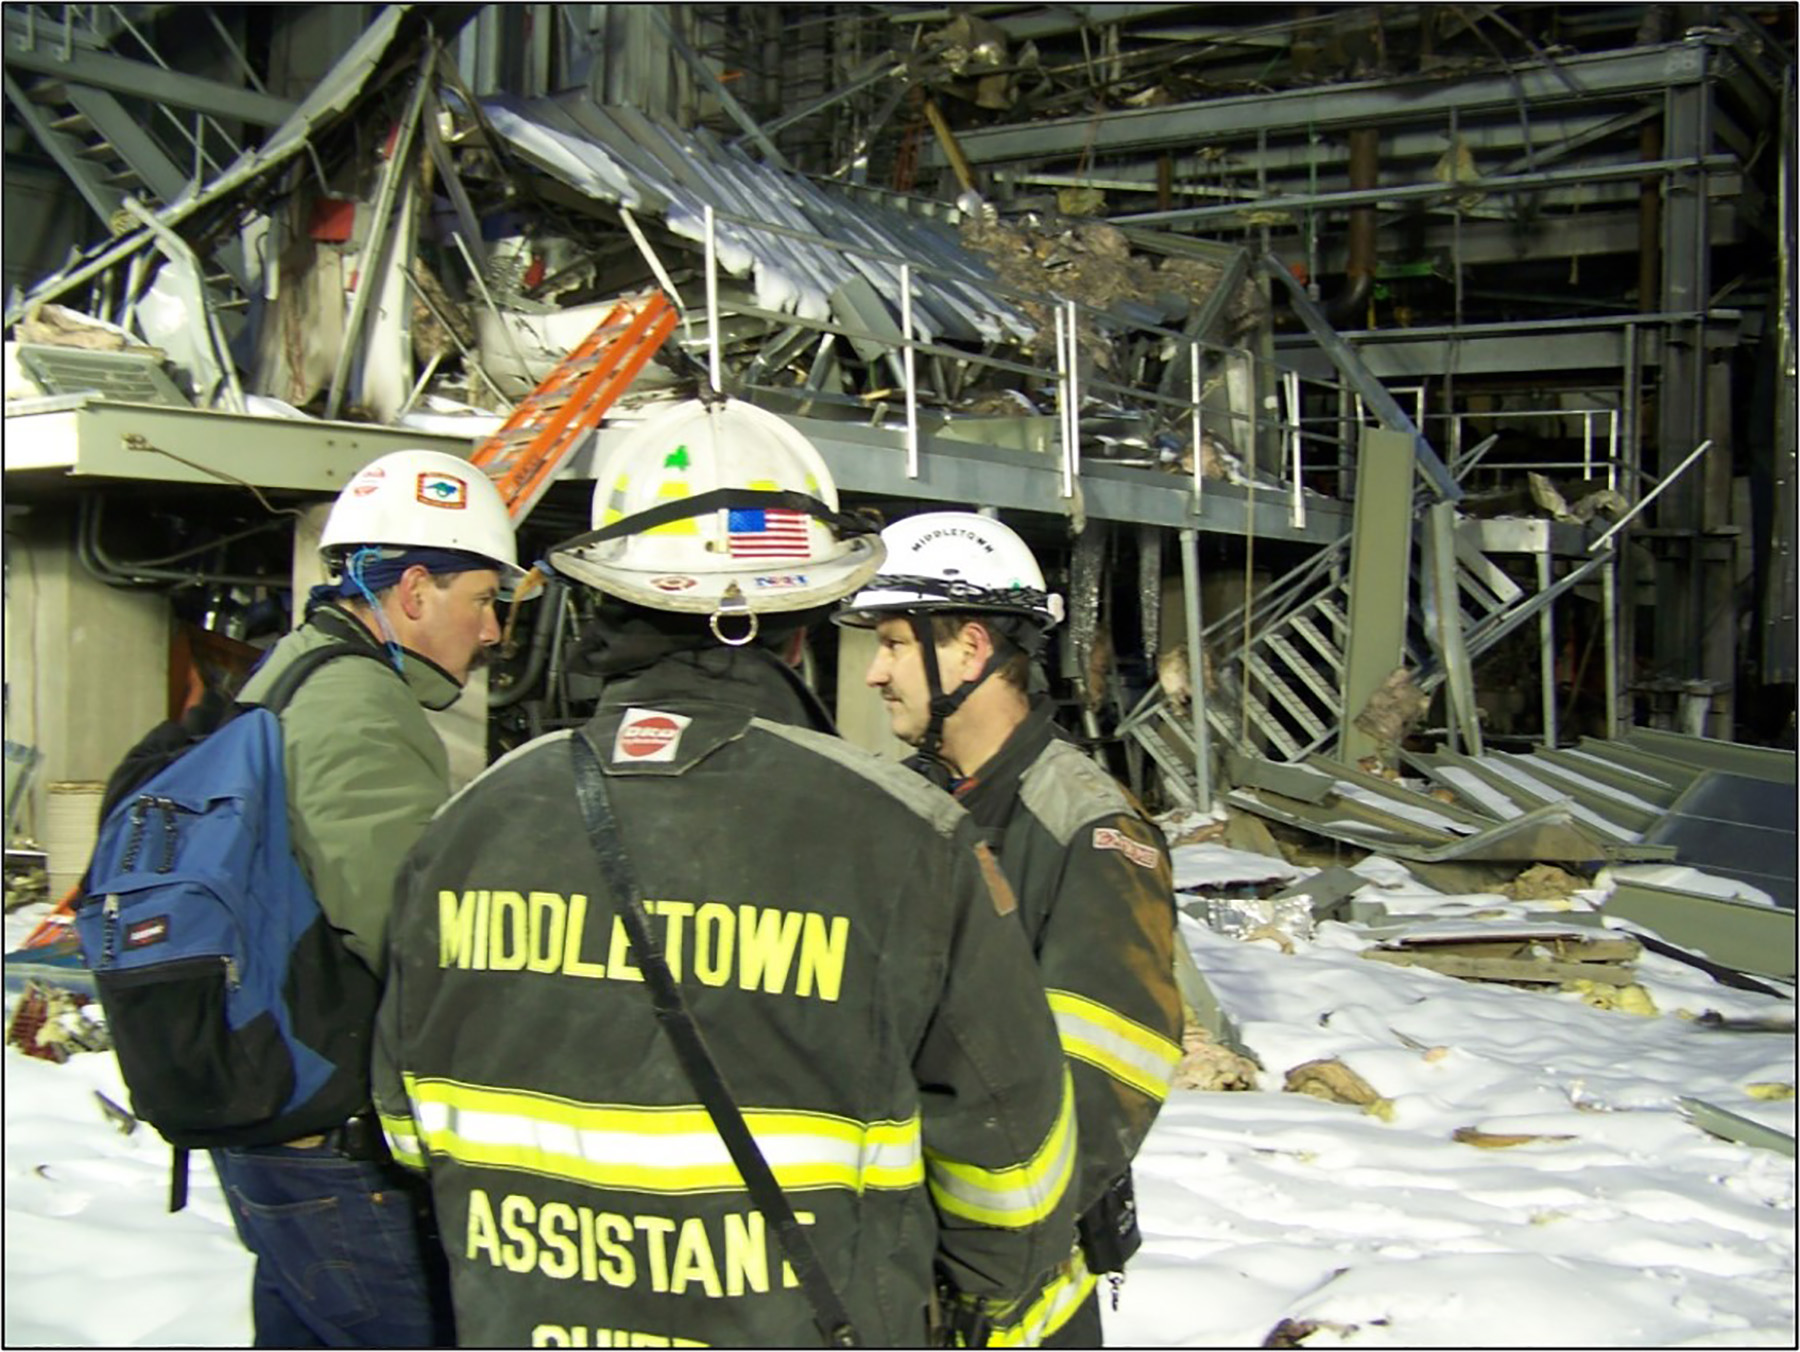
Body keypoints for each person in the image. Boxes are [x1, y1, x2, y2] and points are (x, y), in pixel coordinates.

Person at [370, 397, 1080, 1348]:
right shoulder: (907, 840)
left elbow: (406, 1128)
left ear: (617, 600)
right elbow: (1011, 1171)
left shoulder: (466, 825)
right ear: (792, 618)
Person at [835, 511, 1184, 1347]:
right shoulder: (901, 805)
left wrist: (987, 1249)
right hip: (902, 1271)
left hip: (1019, 1290)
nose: (877, 672)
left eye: (891, 642)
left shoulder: (1088, 830)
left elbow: (1104, 1081)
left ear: (970, 647)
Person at [211, 447, 527, 1348]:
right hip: (337, 1145)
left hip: (281, 1130)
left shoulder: (292, 672)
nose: (495, 631)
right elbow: (408, 930)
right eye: (483, 600)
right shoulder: (354, 702)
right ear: (416, 591)